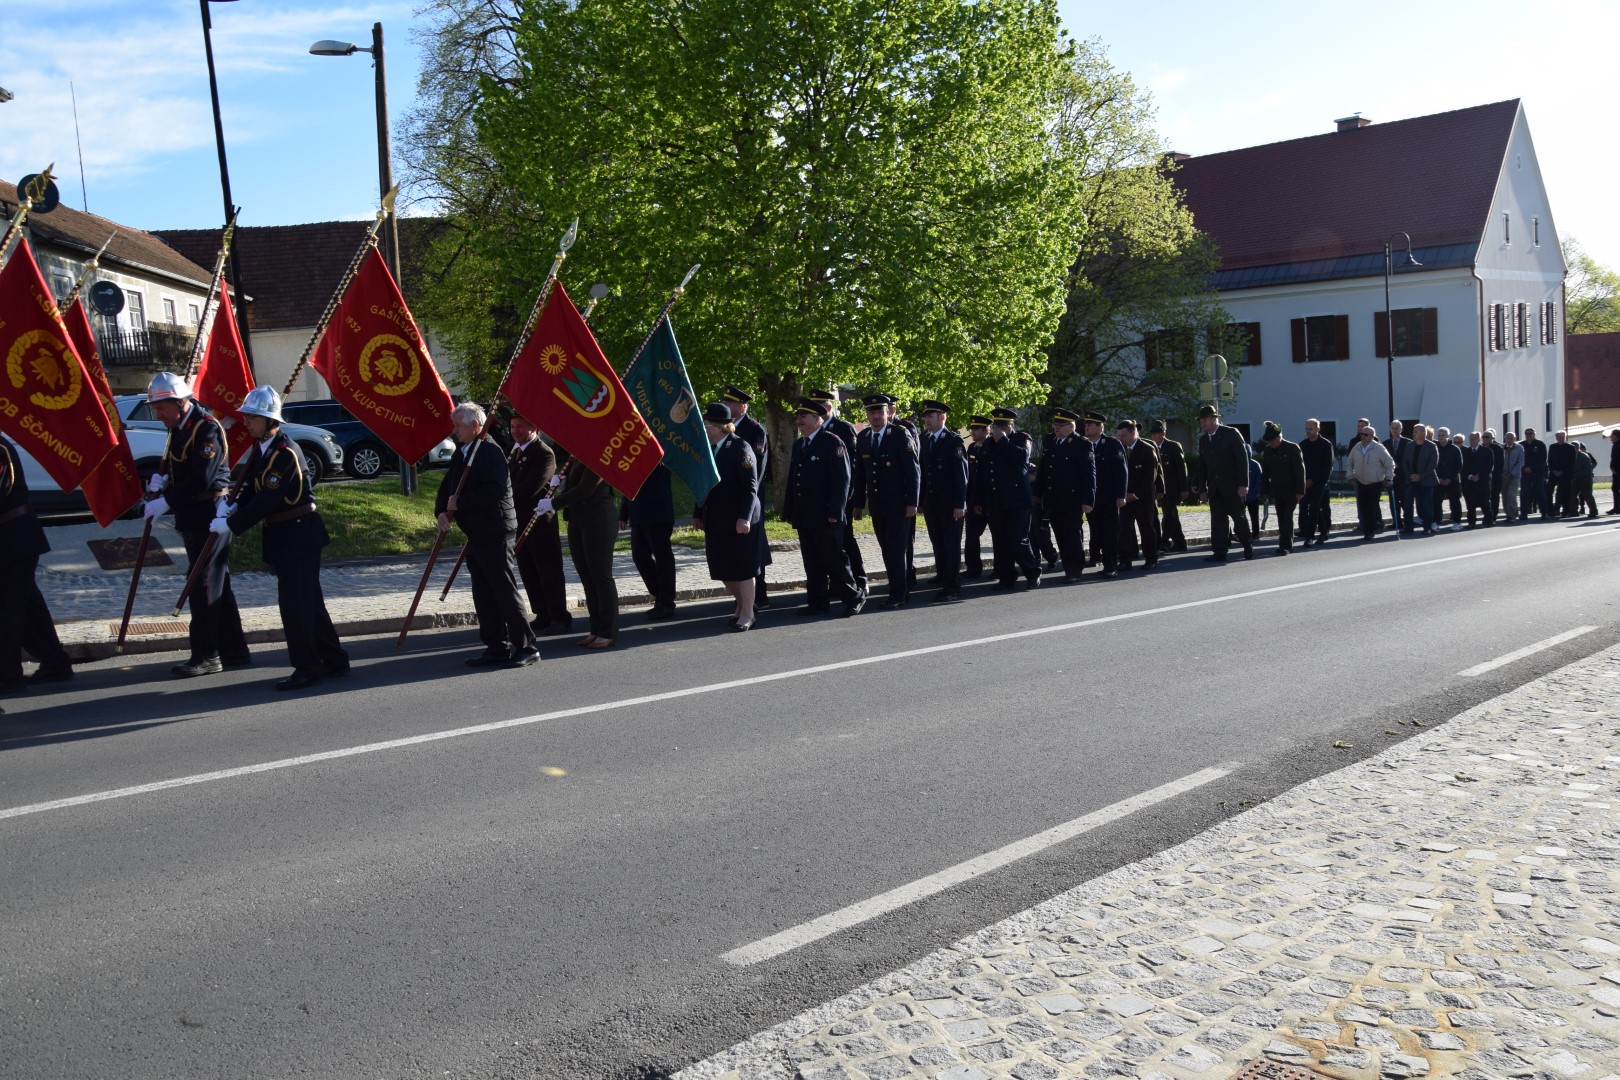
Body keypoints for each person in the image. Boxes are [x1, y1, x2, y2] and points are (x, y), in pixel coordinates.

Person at [217, 386, 351, 690]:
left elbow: (268, 498)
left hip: (298, 534)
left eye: (252, 417)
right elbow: (253, 488)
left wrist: (231, 525)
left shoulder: (285, 452)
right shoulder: (262, 448)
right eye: (246, 416)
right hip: (285, 535)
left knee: (295, 607)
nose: (246, 422)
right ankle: (334, 659)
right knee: (309, 602)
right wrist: (232, 505)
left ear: (270, 420)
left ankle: (307, 667)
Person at [142, 371, 249, 678]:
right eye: (155, 409)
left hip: (209, 514)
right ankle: (233, 649)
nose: (158, 415)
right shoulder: (178, 429)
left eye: (161, 408)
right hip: (193, 514)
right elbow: (183, 470)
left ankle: (206, 655)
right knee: (217, 583)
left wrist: (166, 501)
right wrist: (162, 482)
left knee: (202, 585)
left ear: (180, 402)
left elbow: (202, 477)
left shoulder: (206, 428)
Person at [438, 402, 540, 668]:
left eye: (458, 425)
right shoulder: (464, 451)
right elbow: (448, 485)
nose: (454, 430)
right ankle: (496, 647)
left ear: (475, 425)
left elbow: (494, 490)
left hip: (496, 530)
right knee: (483, 593)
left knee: (504, 590)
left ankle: (527, 647)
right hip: (477, 532)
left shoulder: (489, 451)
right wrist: (441, 511)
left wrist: (461, 504)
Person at [0, 431, 73, 694]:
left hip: (14, 539)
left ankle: (8, 677)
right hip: (11, 541)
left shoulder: (0, 448)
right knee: (30, 609)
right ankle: (56, 663)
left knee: (7, 611)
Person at [781, 399, 863, 617]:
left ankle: (854, 597)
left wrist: (836, 511)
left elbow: (842, 481)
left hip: (826, 515)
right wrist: (789, 510)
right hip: (805, 514)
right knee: (812, 562)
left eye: (804, 417)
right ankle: (817, 602)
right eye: (798, 417)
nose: (799, 421)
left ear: (817, 419)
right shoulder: (800, 444)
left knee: (834, 560)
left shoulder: (832, 442)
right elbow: (793, 480)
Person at [695, 403, 764, 630]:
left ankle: (747, 614)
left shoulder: (740, 447)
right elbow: (703, 484)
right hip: (715, 517)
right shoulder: (708, 449)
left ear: (719, 427)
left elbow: (750, 487)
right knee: (721, 566)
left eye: (706, 425)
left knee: (742, 567)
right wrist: (697, 513)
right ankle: (743, 604)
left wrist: (744, 518)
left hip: (739, 518)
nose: (703, 429)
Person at [851, 393, 920, 609]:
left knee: (896, 550)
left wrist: (913, 502)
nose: (875, 416)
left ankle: (898, 594)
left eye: (879, 412)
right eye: (871, 412)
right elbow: (860, 474)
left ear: (887, 413)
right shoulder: (863, 437)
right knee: (886, 549)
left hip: (899, 505)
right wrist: (858, 504)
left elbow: (913, 472)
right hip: (877, 505)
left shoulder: (900, 434)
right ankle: (899, 588)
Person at [544, 455, 620, 649]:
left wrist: (554, 503)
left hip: (598, 519)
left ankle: (608, 632)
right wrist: (562, 484)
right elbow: (575, 485)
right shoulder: (577, 454)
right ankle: (596, 629)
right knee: (587, 578)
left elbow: (586, 489)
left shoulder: (600, 455)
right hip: (578, 519)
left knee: (601, 576)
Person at [509, 415, 572, 636]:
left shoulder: (544, 453)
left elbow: (531, 487)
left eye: (520, 426)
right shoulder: (515, 452)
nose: (515, 431)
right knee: (528, 571)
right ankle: (542, 612)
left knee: (548, 571)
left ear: (534, 427)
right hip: (519, 521)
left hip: (539, 521)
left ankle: (559, 616)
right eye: (512, 427)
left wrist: (504, 500)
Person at [805, 388, 867, 593]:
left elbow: (852, 467)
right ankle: (835, 583)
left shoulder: (842, 428)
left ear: (829, 407)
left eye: (819, 407)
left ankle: (859, 579)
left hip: (841, 498)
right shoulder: (811, 432)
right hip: (820, 500)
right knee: (826, 544)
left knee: (845, 540)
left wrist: (848, 498)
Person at [723, 386, 773, 608]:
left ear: (742, 407)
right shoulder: (725, 428)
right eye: (725, 402)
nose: (726, 406)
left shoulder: (754, 430)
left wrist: (747, 498)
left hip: (750, 500)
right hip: (730, 500)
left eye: (730, 403)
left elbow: (757, 471)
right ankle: (743, 597)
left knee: (753, 549)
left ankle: (759, 595)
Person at [1033, 407, 1094, 582]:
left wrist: (1088, 500)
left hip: (1073, 498)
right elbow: (1044, 469)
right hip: (1053, 498)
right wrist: (1038, 492)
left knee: (1072, 534)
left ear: (1071, 427)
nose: (1056, 428)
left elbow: (1088, 474)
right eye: (1055, 425)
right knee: (1060, 534)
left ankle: (1075, 569)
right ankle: (1068, 566)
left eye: (1060, 425)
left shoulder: (1082, 443)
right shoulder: (1050, 441)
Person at [985, 407, 1042, 589]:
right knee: (1000, 541)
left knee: (1018, 539)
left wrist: (1003, 440)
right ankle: (1006, 577)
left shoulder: (1022, 439)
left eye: (1004, 425)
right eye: (997, 425)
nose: (1000, 429)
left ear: (1012, 425)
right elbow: (986, 471)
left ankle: (1032, 572)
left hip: (1018, 500)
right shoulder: (990, 443)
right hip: (997, 499)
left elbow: (1022, 457)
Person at [917, 400, 968, 602]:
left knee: (951, 545)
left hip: (950, 504)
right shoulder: (925, 439)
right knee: (937, 542)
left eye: (930, 416)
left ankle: (953, 586)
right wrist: (921, 501)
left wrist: (959, 504)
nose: (926, 420)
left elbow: (961, 476)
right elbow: (923, 473)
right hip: (932, 503)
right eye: (925, 416)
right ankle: (943, 575)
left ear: (942, 417)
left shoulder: (953, 441)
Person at [619, 463, 678, 621]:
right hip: (638, 513)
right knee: (639, 557)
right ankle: (659, 594)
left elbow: (654, 473)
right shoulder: (632, 456)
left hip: (658, 512)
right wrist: (624, 514)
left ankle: (666, 602)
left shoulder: (659, 453)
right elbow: (628, 483)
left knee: (663, 558)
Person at [1195, 404, 1253, 561]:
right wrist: (1202, 489)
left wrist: (1243, 484)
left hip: (1232, 486)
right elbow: (1202, 466)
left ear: (1214, 419)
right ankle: (1219, 551)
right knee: (1218, 521)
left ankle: (1247, 545)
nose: (1203, 423)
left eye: (1206, 419)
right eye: (1201, 420)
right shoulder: (1203, 440)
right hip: (1215, 488)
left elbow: (1242, 459)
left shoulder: (1230, 433)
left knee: (1239, 518)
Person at [1084, 411, 1128, 577]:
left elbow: (1121, 471)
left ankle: (1111, 566)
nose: (1087, 428)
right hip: (1092, 498)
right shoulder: (1084, 445)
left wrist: (1121, 495)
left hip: (1109, 497)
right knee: (1097, 532)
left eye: (1090, 425)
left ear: (1100, 427)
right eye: (1086, 425)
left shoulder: (1111, 444)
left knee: (1110, 532)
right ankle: (1101, 559)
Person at [1116, 419, 1161, 571]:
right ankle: (1125, 559)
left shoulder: (1147, 449)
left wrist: (1135, 495)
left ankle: (1151, 558)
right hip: (1125, 498)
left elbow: (1150, 478)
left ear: (1133, 433)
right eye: (1119, 436)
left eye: (1123, 435)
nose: (1121, 439)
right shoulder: (1121, 449)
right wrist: (1122, 494)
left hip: (1143, 498)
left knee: (1147, 528)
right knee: (1124, 529)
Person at [1259, 421, 1305, 554]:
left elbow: (1299, 470)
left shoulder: (1292, 448)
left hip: (1291, 490)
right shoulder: (1267, 450)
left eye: (1272, 440)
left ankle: (1286, 545)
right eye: (1268, 441)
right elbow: (1266, 472)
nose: (1270, 443)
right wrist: (1265, 490)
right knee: (1280, 517)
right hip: (1277, 490)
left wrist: (1300, 490)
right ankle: (1283, 543)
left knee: (1287, 516)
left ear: (1279, 437)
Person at [1346, 425, 1396, 539]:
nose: (1363, 436)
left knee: (1371, 507)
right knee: (1363, 507)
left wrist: (1389, 478)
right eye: (1361, 434)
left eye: (1365, 434)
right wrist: (1349, 475)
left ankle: (1370, 531)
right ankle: (1371, 526)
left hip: (1375, 482)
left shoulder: (1379, 448)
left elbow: (1389, 463)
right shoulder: (1357, 447)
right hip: (1360, 481)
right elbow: (1349, 462)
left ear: (1372, 436)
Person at [1148, 419, 1188, 552]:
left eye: (1158, 434)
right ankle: (1180, 542)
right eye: (1153, 434)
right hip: (1161, 489)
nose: (1155, 436)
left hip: (1173, 487)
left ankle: (1164, 541)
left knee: (1169, 515)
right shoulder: (1151, 447)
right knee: (1171, 515)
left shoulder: (1173, 446)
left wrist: (1184, 488)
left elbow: (1181, 469)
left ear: (1163, 433)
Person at [962, 416, 992, 579]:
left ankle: (1000, 568)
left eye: (976, 429)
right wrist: (972, 501)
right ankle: (973, 568)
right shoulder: (972, 448)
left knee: (999, 537)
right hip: (975, 501)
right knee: (972, 537)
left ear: (986, 430)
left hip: (992, 500)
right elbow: (971, 477)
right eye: (972, 429)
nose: (972, 432)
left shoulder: (993, 446)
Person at [1299, 418, 1334, 548]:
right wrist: (1305, 480)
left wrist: (1314, 480)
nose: (1308, 431)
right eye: (1307, 429)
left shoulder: (1326, 444)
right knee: (1314, 508)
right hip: (1305, 482)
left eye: (1311, 428)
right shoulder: (1303, 445)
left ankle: (1309, 537)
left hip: (1320, 483)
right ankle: (1324, 532)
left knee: (1314, 508)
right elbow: (1300, 465)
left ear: (1317, 429)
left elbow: (1327, 466)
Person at [1405, 424, 1440, 535]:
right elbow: (1404, 462)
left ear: (1423, 433)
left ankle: (1427, 527)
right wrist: (1410, 475)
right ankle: (1408, 527)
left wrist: (1420, 476)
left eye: (1416, 431)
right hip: (1411, 480)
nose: (1413, 433)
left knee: (1426, 505)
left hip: (1426, 481)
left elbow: (1433, 464)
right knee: (1407, 503)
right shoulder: (1409, 446)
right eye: (1414, 431)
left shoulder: (1431, 446)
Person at [1383, 420, 1413, 535]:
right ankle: (1396, 522)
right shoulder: (1385, 444)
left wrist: (1400, 464)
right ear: (1390, 429)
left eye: (1397, 428)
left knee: (1406, 501)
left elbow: (1410, 459)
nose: (1394, 430)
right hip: (1392, 477)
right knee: (1393, 501)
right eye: (1393, 428)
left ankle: (1408, 523)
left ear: (1401, 429)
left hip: (1405, 476)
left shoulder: (1408, 443)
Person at [1461, 431, 1493, 528]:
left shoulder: (1486, 451)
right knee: (1470, 504)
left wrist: (1479, 476)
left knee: (1485, 503)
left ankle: (1489, 521)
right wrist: (1470, 476)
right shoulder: (1465, 452)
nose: (1472, 441)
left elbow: (1489, 466)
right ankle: (1471, 523)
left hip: (1482, 482)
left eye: (1474, 439)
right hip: (1470, 483)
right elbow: (1463, 467)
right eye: (1470, 439)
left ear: (1479, 439)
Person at [1435, 427, 1463, 529]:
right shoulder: (1435, 448)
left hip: (1452, 480)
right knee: (1436, 501)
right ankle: (1436, 522)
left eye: (1443, 435)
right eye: (1439, 435)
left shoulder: (1455, 449)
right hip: (1439, 480)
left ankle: (1457, 522)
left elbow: (1459, 465)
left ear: (1448, 436)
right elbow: (1433, 464)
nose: (1440, 437)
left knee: (1454, 501)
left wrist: (1450, 478)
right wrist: (1439, 478)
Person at [1521, 426, 1549, 520]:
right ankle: (1524, 513)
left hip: (1538, 473)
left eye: (1530, 433)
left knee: (1540, 493)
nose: (1528, 435)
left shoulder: (1540, 444)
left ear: (1534, 434)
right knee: (1524, 494)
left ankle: (1544, 512)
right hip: (1525, 473)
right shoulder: (1521, 445)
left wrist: (1532, 468)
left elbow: (1542, 459)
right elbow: (1519, 459)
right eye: (1527, 433)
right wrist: (1524, 468)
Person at [1548, 429, 1576, 517]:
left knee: (1565, 492)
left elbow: (1572, 462)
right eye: (1559, 437)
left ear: (1565, 437)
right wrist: (1553, 470)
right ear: (1556, 438)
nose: (1561, 439)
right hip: (1554, 472)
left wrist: (1562, 471)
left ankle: (1565, 511)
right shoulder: (1552, 447)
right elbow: (1550, 460)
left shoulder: (1570, 447)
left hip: (1565, 474)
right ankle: (1550, 510)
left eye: (1563, 437)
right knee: (1548, 491)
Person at [1483, 429, 1506, 523]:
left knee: (1494, 496)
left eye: (1487, 437)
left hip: (1495, 477)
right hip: (1484, 477)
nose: (1485, 439)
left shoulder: (1497, 448)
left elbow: (1500, 464)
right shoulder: (1481, 448)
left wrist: (1494, 474)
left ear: (1492, 438)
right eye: (1483, 437)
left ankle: (1494, 515)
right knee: (1485, 497)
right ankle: (1487, 515)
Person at [1572, 440, 1599, 518]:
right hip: (1575, 479)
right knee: (1573, 495)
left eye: (1574, 447)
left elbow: (1588, 469)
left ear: (1578, 447)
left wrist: (1577, 475)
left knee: (1587, 495)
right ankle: (1574, 511)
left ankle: (1593, 511)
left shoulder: (1584, 456)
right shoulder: (1571, 456)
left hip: (1585, 479)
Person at [1501, 431, 1524, 523]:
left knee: (1511, 494)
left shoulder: (1519, 448)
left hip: (1515, 476)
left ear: (1515, 439)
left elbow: (1520, 462)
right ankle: (1508, 514)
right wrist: (1503, 474)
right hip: (1504, 476)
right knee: (1505, 496)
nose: (1509, 440)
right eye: (1507, 438)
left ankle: (1512, 514)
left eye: (1511, 438)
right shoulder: (1502, 448)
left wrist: (1512, 473)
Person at [1243, 452, 1264, 538]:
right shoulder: (1255, 464)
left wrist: (1254, 493)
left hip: (1248, 496)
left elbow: (1259, 481)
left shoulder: (1254, 465)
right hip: (1246, 495)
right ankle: (1253, 533)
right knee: (1250, 516)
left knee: (1251, 516)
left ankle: (1253, 533)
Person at [1609, 429, 1620, 515]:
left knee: (1616, 489)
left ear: (1616, 436)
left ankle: (1617, 507)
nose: (1610, 437)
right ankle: (1616, 508)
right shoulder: (1615, 445)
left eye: (1611, 435)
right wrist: (1612, 468)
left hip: (1618, 470)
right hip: (1615, 471)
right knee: (1615, 489)